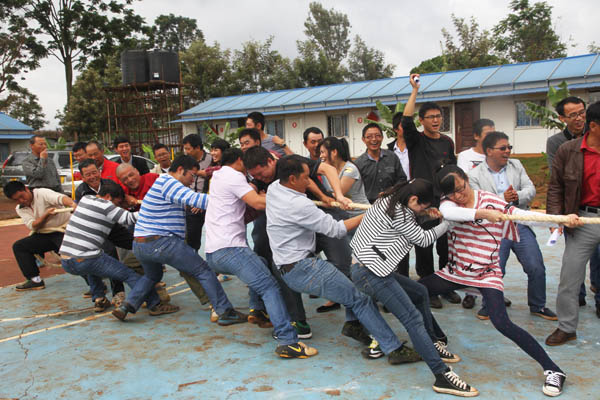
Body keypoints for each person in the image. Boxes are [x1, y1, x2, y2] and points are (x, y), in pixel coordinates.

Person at [418, 165, 576, 397]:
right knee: (415, 292)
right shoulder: (448, 204)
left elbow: (523, 216)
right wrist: (482, 214)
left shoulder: (491, 201)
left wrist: (560, 220)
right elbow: (450, 213)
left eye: (461, 188)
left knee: (502, 323)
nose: (459, 196)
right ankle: (438, 338)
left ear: (466, 179)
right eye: (452, 193)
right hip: (456, 271)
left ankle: (553, 370)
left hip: (486, 273)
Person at [266, 155, 422, 364]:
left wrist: (328, 197)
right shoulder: (299, 205)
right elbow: (336, 230)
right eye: (305, 178)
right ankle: (393, 349)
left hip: (287, 265)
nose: (308, 182)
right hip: (304, 268)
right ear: (292, 179)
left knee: (352, 282)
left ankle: (353, 324)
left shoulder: (275, 188)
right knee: (360, 299)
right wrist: (371, 214)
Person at [350, 178, 478, 397]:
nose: (422, 210)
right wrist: (448, 222)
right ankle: (441, 375)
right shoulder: (399, 214)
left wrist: (424, 213)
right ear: (414, 199)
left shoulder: (390, 198)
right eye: (423, 206)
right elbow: (424, 239)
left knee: (420, 292)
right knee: (412, 319)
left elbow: (410, 218)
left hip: (371, 267)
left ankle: (431, 342)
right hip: (371, 272)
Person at [205, 148, 317, 358]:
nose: (250, 172)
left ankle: (257, 309)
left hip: (213, 253)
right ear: (240, 160)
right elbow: (257, 202)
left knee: (262, 263)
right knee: (270, 287)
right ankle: (288, 341)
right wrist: (292, 198)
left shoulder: (218, 176)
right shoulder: (234, 176)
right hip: (231, 249)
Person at [112, 155, 247, 326]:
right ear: (181, 170)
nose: (192, 180)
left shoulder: (162, 183)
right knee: (203, 270)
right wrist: (239, 195)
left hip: (140, 244)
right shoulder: (169, 182)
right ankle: (225, 311)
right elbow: (199, 200)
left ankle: (127, 305)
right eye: (192, 175)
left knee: (153, 275)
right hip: (161, 242)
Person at [468, 131, 556, 320]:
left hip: (519, 223)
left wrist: (517, 196)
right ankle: (489, 306)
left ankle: (538, 306)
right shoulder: (474, 174)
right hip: (494, 227)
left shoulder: (516, 165)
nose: (507, 151)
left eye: (509, 147)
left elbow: (530, 190)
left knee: (535, 266)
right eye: (503, 148)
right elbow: (477, 202)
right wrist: (502, 198)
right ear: (489, 151)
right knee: (495, 269)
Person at [60, 180, 172, 314]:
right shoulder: (106, 206)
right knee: (129, 275)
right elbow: (130, 218)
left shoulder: (85, 199)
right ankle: (155, 304)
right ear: (108, 197)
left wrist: (121, 203)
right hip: (85, 258)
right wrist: (154, 207)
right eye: (118, 203)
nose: (118, 206)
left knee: (92, 266)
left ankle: (99, 298)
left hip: (66, 261)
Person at [402, 73, 459, 308]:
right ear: (422, 120)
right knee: (424, 246)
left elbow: (453, 170)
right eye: (431, 117)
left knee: (445, 245)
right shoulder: (416, 140)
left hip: (444, 201)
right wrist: (414, 90)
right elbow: (406, 120)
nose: (435, 120)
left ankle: (445, 286)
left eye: (438, 116)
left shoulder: (447, 142)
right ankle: (427, 288)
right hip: (423, 203)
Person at [546, 101, 600, 346]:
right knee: (570, 276)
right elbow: (556, 186)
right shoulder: (568, 150)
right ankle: (567, 328)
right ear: (594, 126)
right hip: (581, 220)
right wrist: (557, 218)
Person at [5, 181, 74, 290]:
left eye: (22, 196)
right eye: (16, 200)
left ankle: (95, 284)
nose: (21, 201)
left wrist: (73, 205)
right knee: (19, 247)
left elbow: (61, 198)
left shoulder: (42, 193)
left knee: (73, 259)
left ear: (26, 189)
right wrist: (46, 215)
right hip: (44, 235)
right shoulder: (20, 208)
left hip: (65, 231)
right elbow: (33, 225)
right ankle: (35, 280)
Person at [354, 123, 407, 204]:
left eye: (377, 136)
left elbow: (402, 179)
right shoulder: (358, 163)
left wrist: (392, 190)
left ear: (382, 137)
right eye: (369, 137)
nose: (374, 139)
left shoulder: (392, 157)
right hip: (369, 206)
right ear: (363, 139)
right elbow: (356, 189)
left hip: (392, 203)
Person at [318, 136, 369, 219]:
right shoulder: (328, 170)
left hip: (360, 215)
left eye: (322, 152)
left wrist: (320, 196)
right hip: (342, 214)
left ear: (334, 152)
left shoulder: (350, 169)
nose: (320, 156)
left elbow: (338, 193)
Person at [182, 134, 212, 253]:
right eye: (185, 149)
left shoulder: (211, 160)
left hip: (208, 203)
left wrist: (201, 202)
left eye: (188, 148)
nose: (186, 151)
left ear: (198, 147)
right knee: (192, 238)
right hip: (191, 205)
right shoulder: (186, 161)